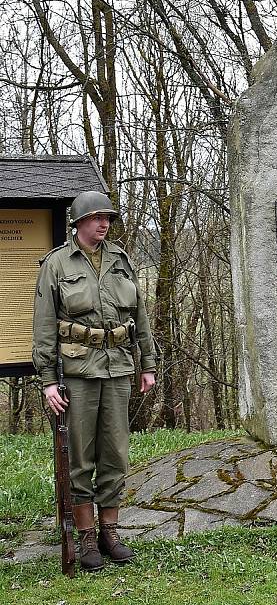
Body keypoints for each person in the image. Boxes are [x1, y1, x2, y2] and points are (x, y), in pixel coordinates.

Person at [32, 191, 157, 572]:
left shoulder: (121, 260)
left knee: (115, 453)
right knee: (80, 455)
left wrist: (147, 364)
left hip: (118, 367)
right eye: (97, 217)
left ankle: (110, 531)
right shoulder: (57, 263)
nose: (104, 224)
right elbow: (43, 327)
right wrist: (49, 381)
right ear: (79, 222)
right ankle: (85, 536)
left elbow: (141, 315)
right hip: (77, 374)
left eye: (108, 218)